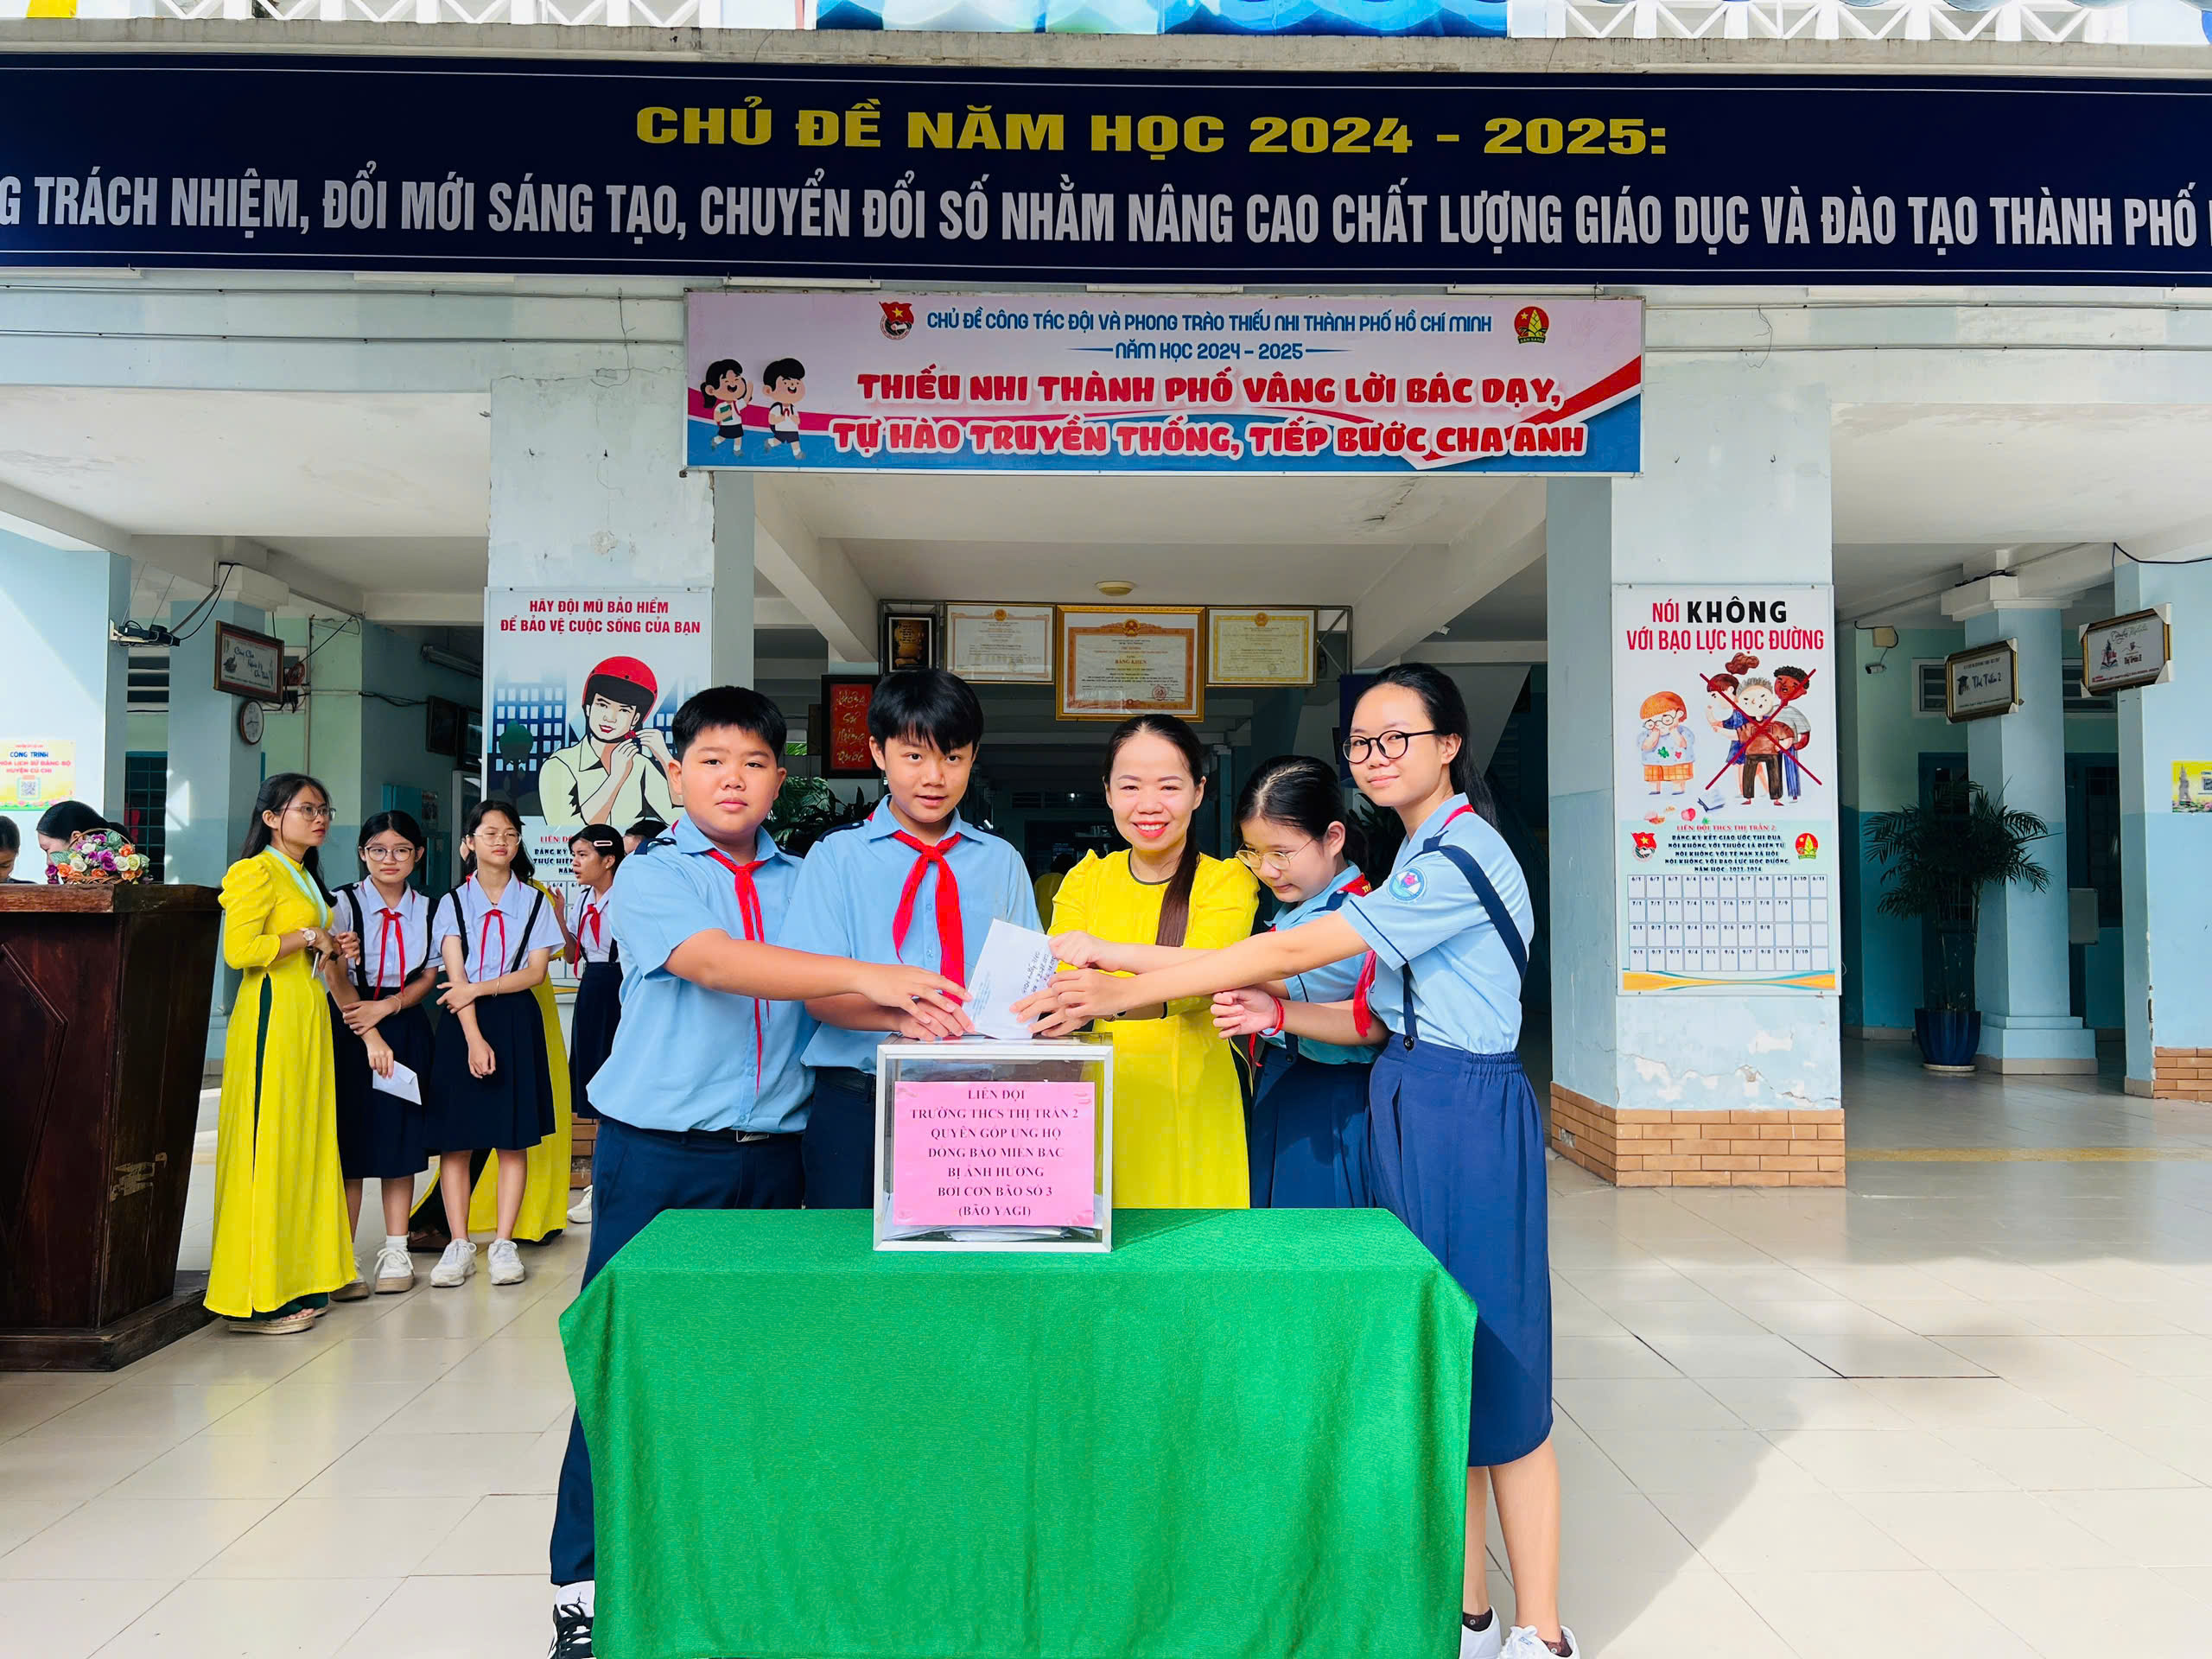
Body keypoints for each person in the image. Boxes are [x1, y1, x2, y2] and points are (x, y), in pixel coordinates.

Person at [1018, 665, 1575, 1659]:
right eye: (1361, 743)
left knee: (1498, 1355)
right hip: (1409, 1093)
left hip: (1459, 1104)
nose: (1375, 757)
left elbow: (1283, 962)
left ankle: (1543, 1633)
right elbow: (1298, 981)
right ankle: (1470, 1614)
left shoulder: (1456, 855)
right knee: (1437, 1348)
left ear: (1450, 745)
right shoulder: (1416, 854)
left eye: (1396, 738)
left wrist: (1118, 989)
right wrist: (1115, 961)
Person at [547, 684, 967, 1659]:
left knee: (758, 1368)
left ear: (781, 778)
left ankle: (729, 1568)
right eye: (711, 761)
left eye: (753, 763)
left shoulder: (809, 879)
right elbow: (717, 964)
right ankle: (583, 1584)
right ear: (676, 774)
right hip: (658, 1156)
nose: (732, 780)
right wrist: (870, 977)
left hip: (780, 1157)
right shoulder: (650, 875)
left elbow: (838, 1004)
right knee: (624, 1363)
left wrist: (925, 1014)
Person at [782, 669, 1028, 1207]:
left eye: (953, 757)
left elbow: (1023, 986)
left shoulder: (1001, 861)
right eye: (914, 756)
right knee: (845, 1250)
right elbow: (815, 993)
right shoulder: (836, 857)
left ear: (973, 757)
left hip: (978, 1102)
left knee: (966, 1248)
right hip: (859, 1100)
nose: (934, 777)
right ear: (878, 752)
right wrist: (900, 1017)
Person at [1039, 714, 1258, 1208]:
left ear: (1199, 792)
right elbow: (1062, 980)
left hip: (1193, 1097)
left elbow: (1215, 970)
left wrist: (1108, 965)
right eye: (1131, 786)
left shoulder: (1227, 881)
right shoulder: (1086, 879)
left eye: (1169, 786)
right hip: (1096, 1094)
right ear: (1108, 793)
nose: (1149, 804)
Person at [206, 772, 358, 1333]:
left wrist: (333, 947)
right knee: (267, 1143)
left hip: (306, 1011)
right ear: (271, 818)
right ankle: (257, 1296)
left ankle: (299, 1275)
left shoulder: (305, 876)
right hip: (271, 1013)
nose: (320, 819)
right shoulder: (255, 871)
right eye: (307, 809)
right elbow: (240, 950)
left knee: (302, 1141)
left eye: (324, 810)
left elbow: (311, 945)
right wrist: (310, 938)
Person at [1214, 757, 1382, 1208]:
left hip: (1329, 1095)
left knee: (1316, 1233)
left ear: (1333, 837)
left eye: (1281, 853)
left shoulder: (1348, 919)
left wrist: (1123, 967)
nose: (1267, 870)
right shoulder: (1299, 907)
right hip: (1284, 1078)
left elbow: (1244, 971)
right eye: (1253, 853)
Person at [424, 799, 563, 1290]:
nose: (500, 842)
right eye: (489, 833)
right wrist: (474, 1037)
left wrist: (478, 990)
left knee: (512, 1138)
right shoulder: (452, 903)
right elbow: (453, 975)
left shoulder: (536, 902)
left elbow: (535, 973)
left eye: (509, 834)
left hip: (515, 1018)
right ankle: (459, 1243)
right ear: (469, 843)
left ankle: (504, 1243)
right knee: (456, 1140)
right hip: (462, 1023)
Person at [325, 811, 439, 1298]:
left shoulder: (431, 909)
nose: (388, 859)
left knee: (399, 1142)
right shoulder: (341, 904)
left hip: (405, 1022)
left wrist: (389, 1008)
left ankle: (396, 1250)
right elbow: (332, 972)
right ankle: (340, 1259)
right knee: (350, 1144)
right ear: (362, 853)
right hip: (349, 1022)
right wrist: (368, 1030)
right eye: (377, 850)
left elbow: (429, 975)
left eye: (401, 850)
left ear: (418, 855)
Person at [563, 823, 625, 1228]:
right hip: (591, 989)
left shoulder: (628, 900)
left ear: (609, 860)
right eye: (574, 855)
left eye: (583, 855)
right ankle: (598, 1186)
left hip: (621, 991)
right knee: (593, 1080)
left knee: (619, 1078)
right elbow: (573, 953)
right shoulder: (581, 901)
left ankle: (609, 1184)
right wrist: (559, 919)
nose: (575, 863)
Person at [538, 656, 677, 831]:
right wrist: (615, 778)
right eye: (603, 705)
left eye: (623, 710)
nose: (610, 718)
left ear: (635, 719)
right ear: (588, 708)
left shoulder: (639, 765)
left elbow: (679, 819)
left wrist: (665, 758)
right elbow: (565, 831)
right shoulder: (559, 765)